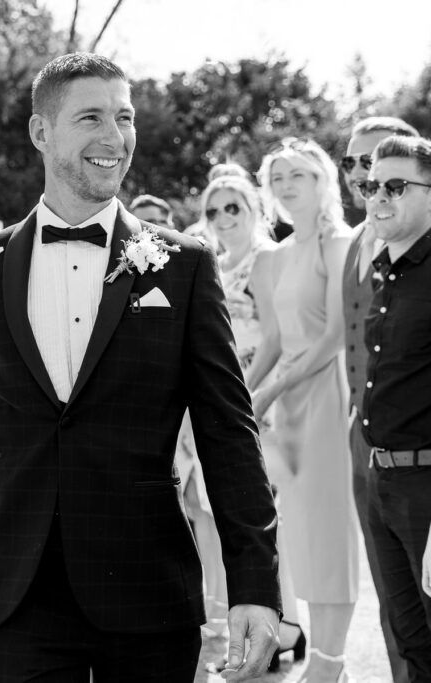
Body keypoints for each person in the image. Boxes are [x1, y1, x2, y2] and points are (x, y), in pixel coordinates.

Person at [0, 53, 280, 682]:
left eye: (124, 118)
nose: (115, 137)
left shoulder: (183, 268)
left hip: (147, 587)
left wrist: (255, 584)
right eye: (92, 117)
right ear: (41, 133)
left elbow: (229, 433)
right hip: (19, 589)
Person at [250, 138, 359, 682]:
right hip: (282, 405)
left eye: (298, 174)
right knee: (297, 533)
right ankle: (318, 656)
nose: (287, 184)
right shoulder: (272, 259)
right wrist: (242, 396)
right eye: (278, 177)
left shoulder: (340, 243)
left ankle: (329, 661)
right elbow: (271, 342)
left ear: (323, 181)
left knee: (328, 529)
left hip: (328, 397)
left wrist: (271, 392)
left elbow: (336, 336)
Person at [200, 174, 307, 672]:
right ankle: (253, 623)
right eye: (215, 210)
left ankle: (287, 624)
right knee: (232, 513)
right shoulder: (211, 265)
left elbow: (275, 336)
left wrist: (238, 390)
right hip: (219, 400)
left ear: (253, 209)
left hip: (256, 399)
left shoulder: (267, 259)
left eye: (233, 208)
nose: (224, 219)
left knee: (266, 513)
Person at [340, 116, 418, 683]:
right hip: (369, 446)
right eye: (357, 168)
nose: (368, 181)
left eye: (386, 175)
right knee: (398, 614)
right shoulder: (364, 249)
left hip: (423, 459)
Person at [359, 134, 431, 679]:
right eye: (370, 185)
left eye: (396, 185)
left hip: (427, 489)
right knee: (411, 643)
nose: (378, 196)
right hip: (383, 483)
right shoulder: (389, 268)